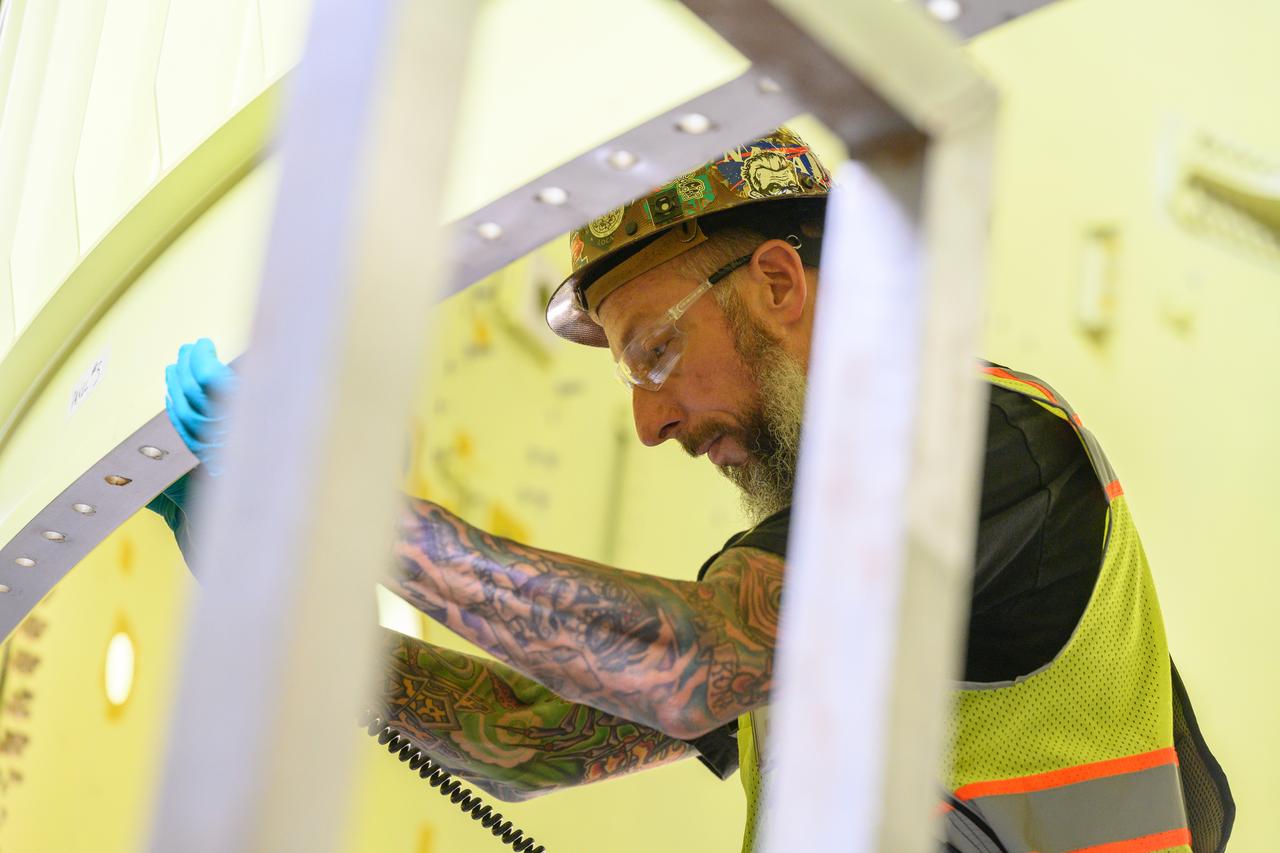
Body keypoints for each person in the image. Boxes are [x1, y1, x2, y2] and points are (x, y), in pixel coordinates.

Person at [148, 129, 1232, 852]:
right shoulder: (803, 592)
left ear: (775, 281)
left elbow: (678, 666)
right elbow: (522, 734)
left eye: (654, 353)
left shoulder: (983, 446)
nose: (649, 421)